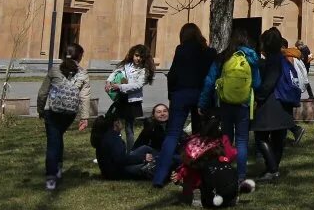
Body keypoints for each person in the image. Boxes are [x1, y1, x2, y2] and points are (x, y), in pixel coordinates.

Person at [153, 23, 218, 187]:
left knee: (172, 135)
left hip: (181, 94)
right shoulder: (208, 52)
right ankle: (199, 174)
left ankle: (160, 177)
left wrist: (171, 95)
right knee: (200, 136)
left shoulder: (181, 50)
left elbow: (173, 75)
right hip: (200, 95)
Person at [198, 27, 260, 186]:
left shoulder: (223, 57)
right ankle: (240, 176)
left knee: (226, 138)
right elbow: (257, 83)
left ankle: (225, 169)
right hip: (244, 105)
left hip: (224, 104)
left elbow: (209, 81)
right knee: (242, 140)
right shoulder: (252, 58)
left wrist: (203, 102)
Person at [36, 43, 91, 191]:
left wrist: (40, 110)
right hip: (69, 113)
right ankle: (59, 167)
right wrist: (84, 118)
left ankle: (51, 177)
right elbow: (84, 97)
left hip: (53, 111)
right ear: (79, 56)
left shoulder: (54, 70)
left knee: (53, 142)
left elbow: (42, 93)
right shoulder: (83, 73)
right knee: (58, 137)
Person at [174, 116, 256, 207]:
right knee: (224, 173)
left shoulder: (192, 141)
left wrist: (179, 175)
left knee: (194, 173)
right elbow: (231, 155)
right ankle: (231, 195)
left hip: (195, 179)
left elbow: (186, 162)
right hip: (216, 178)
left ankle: (197, 194)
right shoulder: (221, 140)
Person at [253, 27, 297, 180]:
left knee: (261, 137)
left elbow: (269, 83)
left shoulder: (273, 60)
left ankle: (272, 170)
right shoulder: (283, 58)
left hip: (272, 102)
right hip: (284, 102)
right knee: (278, 139)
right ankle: (272, 169)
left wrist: (259, 97)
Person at [106, 43, 154, 147]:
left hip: (132, 101)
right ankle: (116, 147)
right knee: (114, 123)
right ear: (132, 54)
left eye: (141, 57)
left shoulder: (143, 71)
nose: (138, 58)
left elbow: (137, 85)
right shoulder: (126, 65)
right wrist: (108, 81)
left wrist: (120, 87)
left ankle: (130, 151)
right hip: (121, 99)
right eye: (136, 55)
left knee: (129, 128)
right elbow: (115, 72)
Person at [91, 115, 154, 181]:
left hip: (111, 170)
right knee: (148, 167)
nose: (122, 123)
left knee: (145, 148)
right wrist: (143, 158)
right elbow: (121, 160)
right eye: (121, 121)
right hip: (117, 173)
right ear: (116, 123)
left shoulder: (109, 134)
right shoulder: (113, 138)